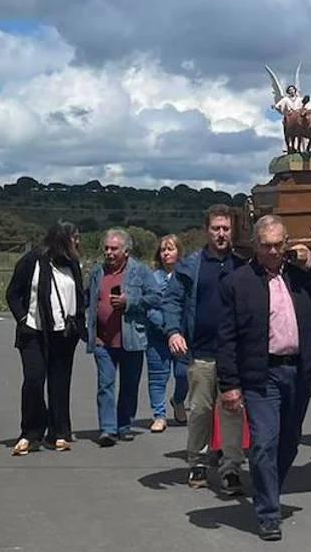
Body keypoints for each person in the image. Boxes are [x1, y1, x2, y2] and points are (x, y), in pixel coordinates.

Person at [217, 217, 311, 541]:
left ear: (287, 244)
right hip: (261, 374)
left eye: (278, 245)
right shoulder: (237, 282)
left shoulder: (301, 276)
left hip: (299, 372)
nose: (273, 251)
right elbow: (227, 338)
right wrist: (229, 385)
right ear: (255, 246)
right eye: (266, 245)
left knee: (288, 442)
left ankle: (267, 487)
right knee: (264, 443)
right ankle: (269, 513)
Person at [162, 205, 245, 495]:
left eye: (226, 228)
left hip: (235, 354)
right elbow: (171, 301)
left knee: (232, 411)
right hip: (202, 352)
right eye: (216, 228)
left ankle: (231, 467)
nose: (221, 234)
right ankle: (197, 461)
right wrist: (173, 331)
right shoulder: (190, 266)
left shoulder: (242, 264)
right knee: (200, 409)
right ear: (207, 230)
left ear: (233, 231)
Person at [5, 221, 85, 456]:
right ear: (62, 239)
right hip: (33, 332)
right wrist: (22, 318)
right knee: (34, 379)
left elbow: (78, 295)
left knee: (60, 383)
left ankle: (59, 432)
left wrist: (79, 324)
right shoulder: (32, 261)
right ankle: (30, 432)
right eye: (74, 237)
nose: (77, 242)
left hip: (64, 333)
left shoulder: (72, 264)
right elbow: (12, 294)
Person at [86, 229, 158, 445]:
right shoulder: (97, 273)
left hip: (131, 338)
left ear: (126, 251)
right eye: (106, 248)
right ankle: (107, 428)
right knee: (105, 384)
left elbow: (155, 297)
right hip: (103, 341)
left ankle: (124, 424)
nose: (109, 252)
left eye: (114, 249)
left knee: (129, 384)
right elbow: (87, 298)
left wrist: (130, 302)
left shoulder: (140, 271)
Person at [147, 234, 189, 430]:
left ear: (179, 252)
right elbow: (149, 306)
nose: (166, 254)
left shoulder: (187, 276)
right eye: (163, 250)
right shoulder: (153, 279)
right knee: (157, 377)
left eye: (170, 249)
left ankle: (178, 400)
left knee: (183, 374)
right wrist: (166, 328)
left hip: (183, 336)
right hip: (158, 336)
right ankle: (159, 415)